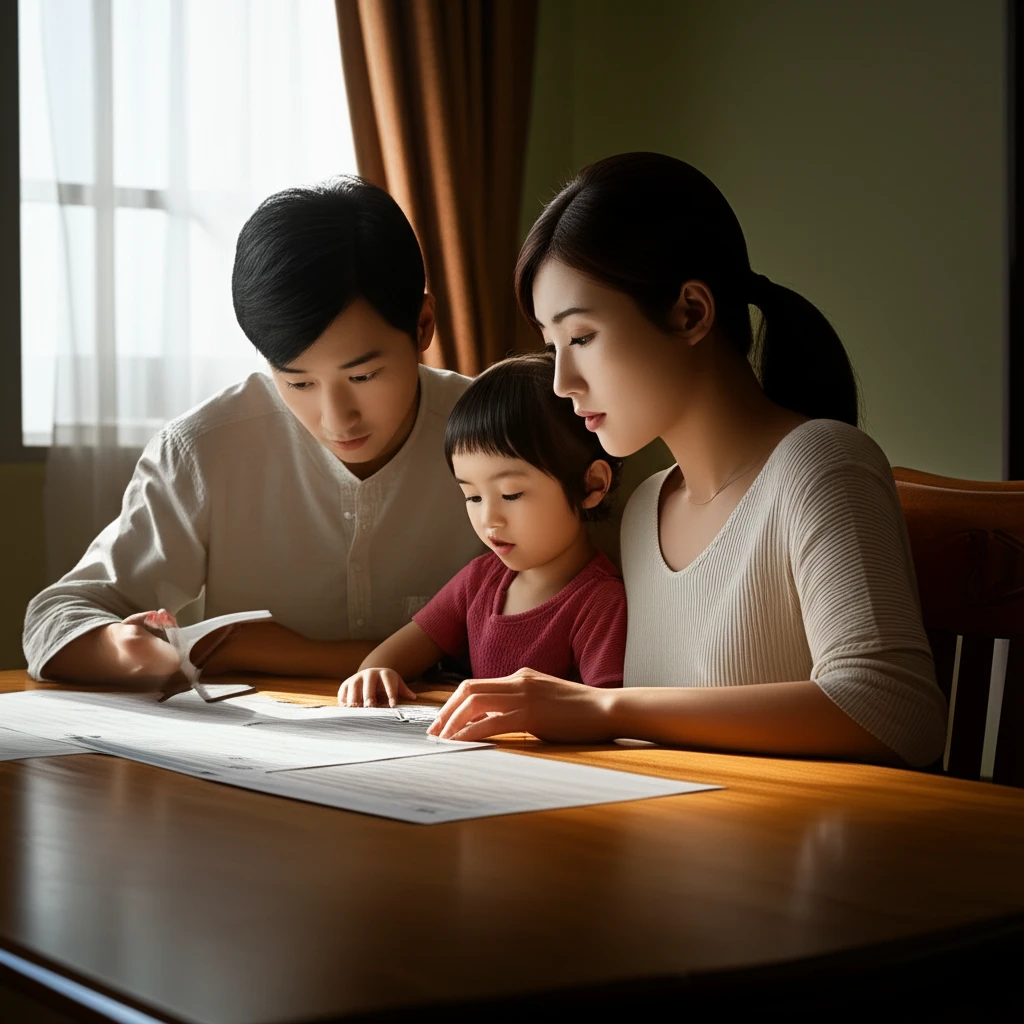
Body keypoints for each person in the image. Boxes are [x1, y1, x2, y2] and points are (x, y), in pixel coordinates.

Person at [427, 152, 949, 769]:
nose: (562, 381)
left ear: (690, 313)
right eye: (551, 346)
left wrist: (605, 709)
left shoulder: (821, 465)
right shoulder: (645, 507)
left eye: (583, 338)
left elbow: (895, 708)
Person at [23, 176, 483, 687]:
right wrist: (124, 648)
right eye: (298, 381)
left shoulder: (501, 435)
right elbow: (57, 615)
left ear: (422, 326)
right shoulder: (206, 449)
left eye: (362, 376)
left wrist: (283, 652)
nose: (337, 418)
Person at [337, 352, 627, 708]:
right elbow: (384, 660)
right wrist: (376, 673)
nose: (490, 519)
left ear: (591, 485)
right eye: (472, 497)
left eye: (511, 494)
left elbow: (608, 709)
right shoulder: (479, 581)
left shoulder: (600, 602)